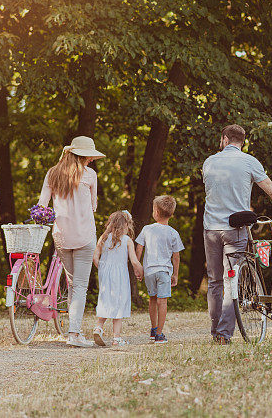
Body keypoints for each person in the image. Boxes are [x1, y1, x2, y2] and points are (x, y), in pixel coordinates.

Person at [202, 124, 272, 344]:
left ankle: (215, 330)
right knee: (231, 282)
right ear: (242, 141)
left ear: (225, 139)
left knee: (214, 282)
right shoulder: (249, 162)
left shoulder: (209, 162)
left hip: (211, 228)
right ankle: (223, 334)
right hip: (235, 229)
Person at [37, 135, 105, 348]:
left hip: (61, 236)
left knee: (73, 282)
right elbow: (93, 206)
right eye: (90, 156)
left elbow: (42, 206)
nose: (92, 160)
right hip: (84, 236)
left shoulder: (52, 174)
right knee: (79, 286)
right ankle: (74, 334)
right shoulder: (89, 175)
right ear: (83, 156)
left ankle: (73, 331)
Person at [134, 195, 184, 344]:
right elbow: (176, 256)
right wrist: (175, 274)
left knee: (152, 299)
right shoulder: (173, 233)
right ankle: (160, 335)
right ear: (172, 213)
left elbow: (139, 248)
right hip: (164, 272)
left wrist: (138, 266)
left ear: (155, 211)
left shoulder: (147, 229)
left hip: (149, 271)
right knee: (163, 301)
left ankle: (153, 329)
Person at [92, 210, 143, 346]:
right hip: (120, 275)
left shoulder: (103, 238)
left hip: (105, 273)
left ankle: (98, 327)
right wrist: (140, 271)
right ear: (126, 226)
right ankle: (116, 338)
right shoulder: (127, 241)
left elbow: (95, 257)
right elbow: (134, 261)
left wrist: (102, 268)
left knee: (105, 299)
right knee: (118, 302)